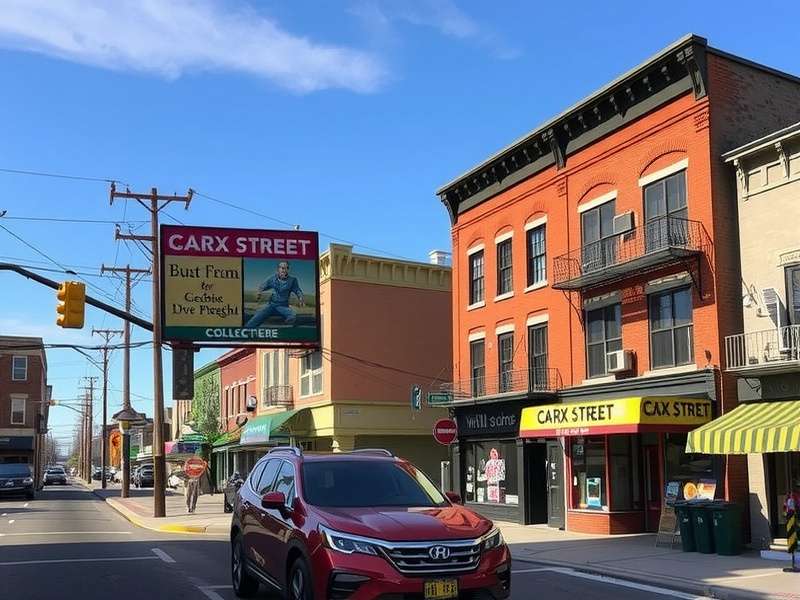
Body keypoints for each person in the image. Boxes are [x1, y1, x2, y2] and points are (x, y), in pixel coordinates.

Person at [245, 261, 304, 327]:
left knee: (292, 315)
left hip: (283, 306)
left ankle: (286, 331)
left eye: (286, 268)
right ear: (278, 269)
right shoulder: (273, 278)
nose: (284, 270)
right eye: (282, 268)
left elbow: (297, 290)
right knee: (257, 316)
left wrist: (301, 299)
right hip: (271, 305)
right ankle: (246, 330)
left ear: (288, 269)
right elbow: (263, 286)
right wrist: (259, 292)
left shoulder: (292, 280)